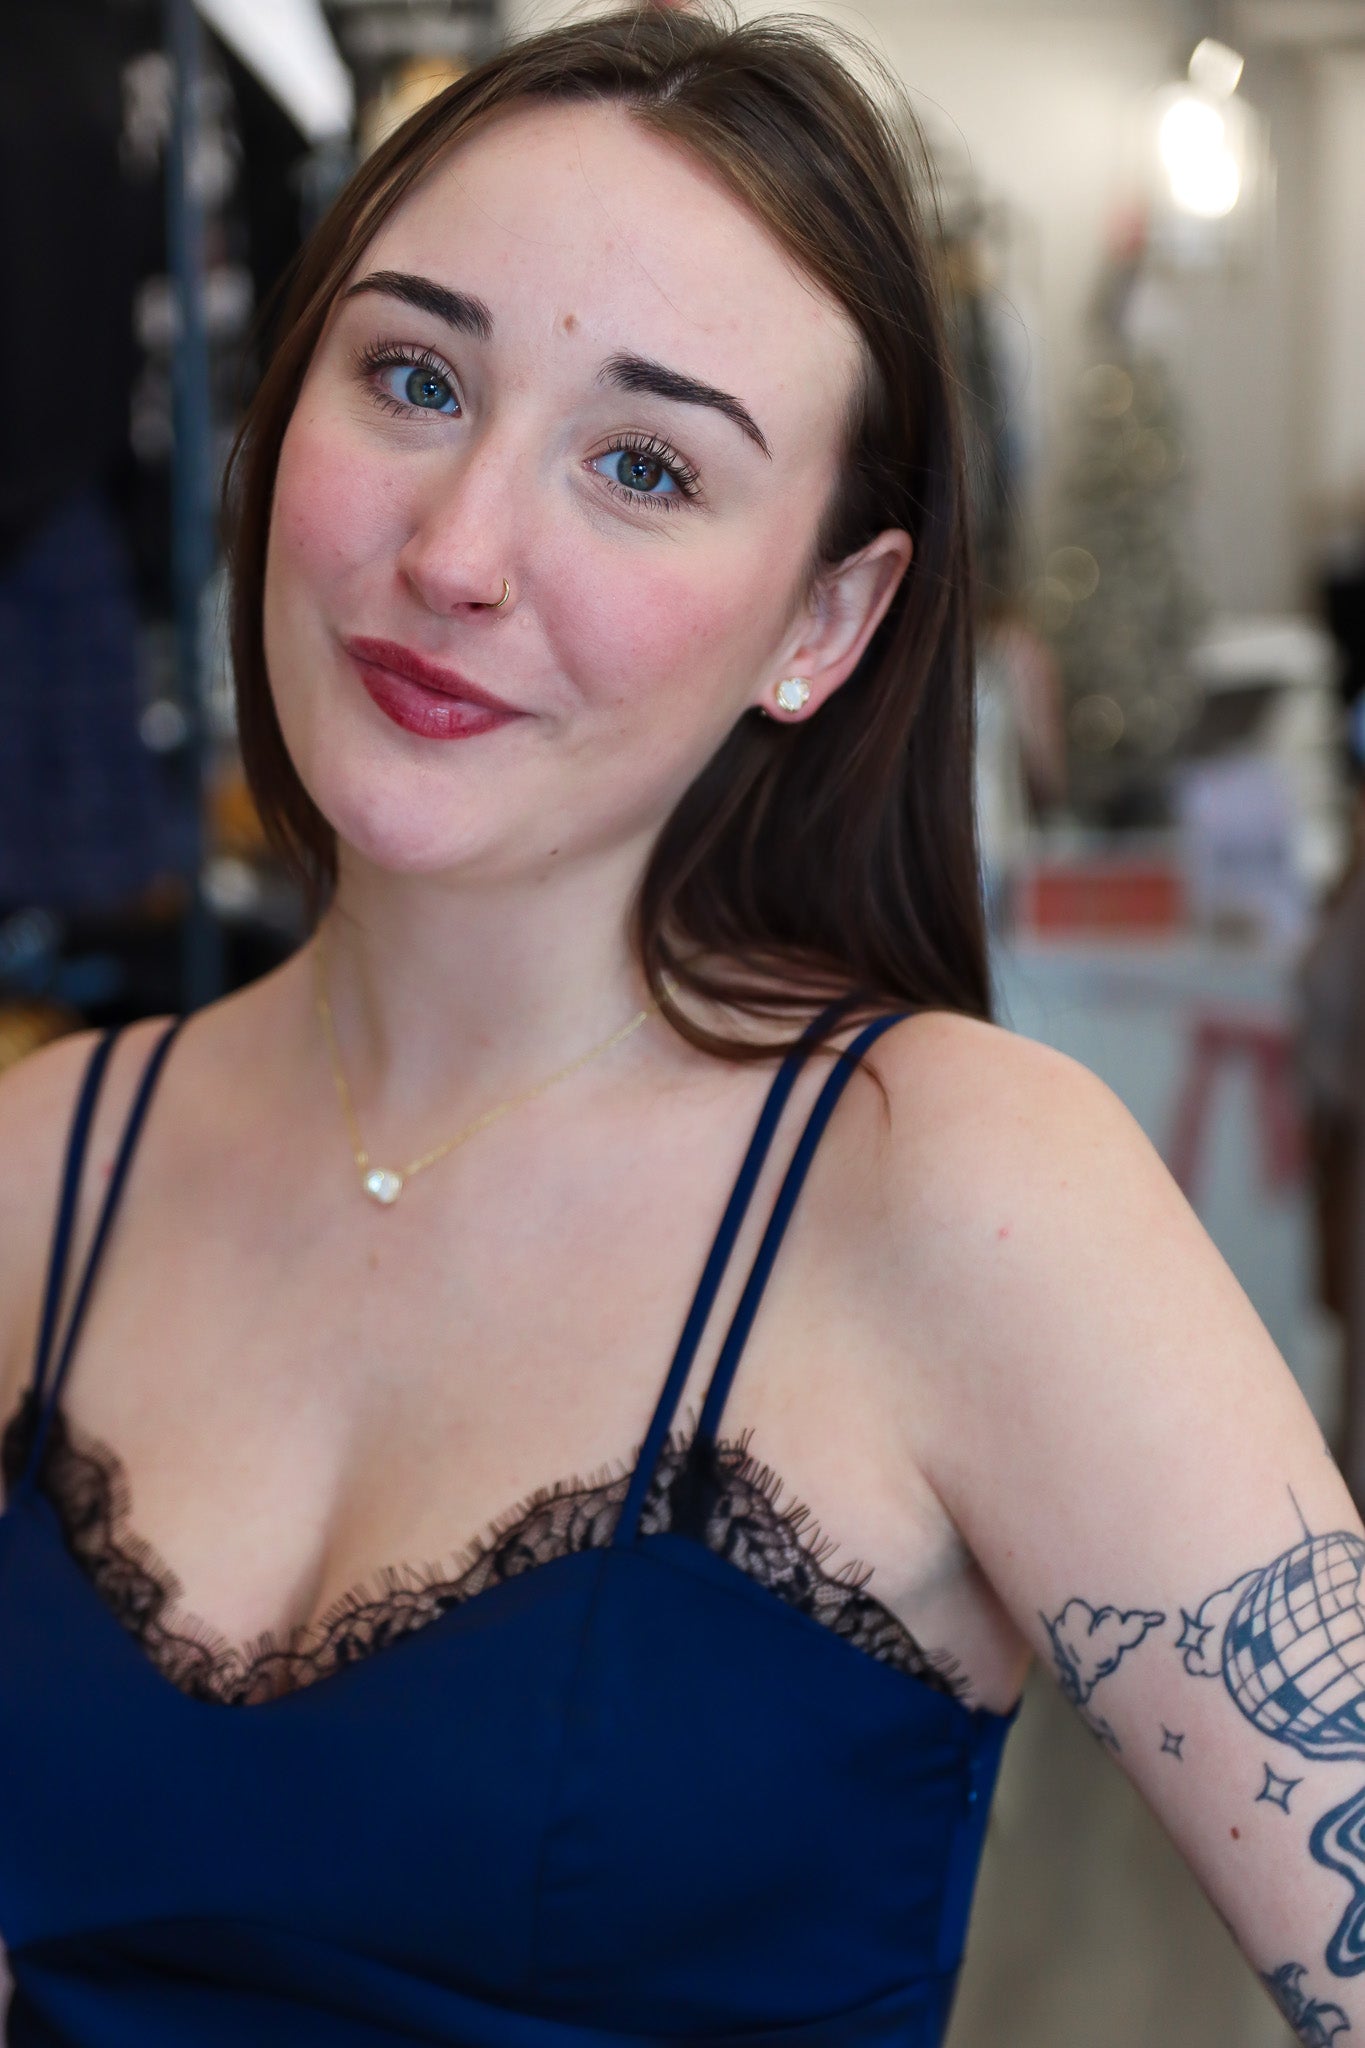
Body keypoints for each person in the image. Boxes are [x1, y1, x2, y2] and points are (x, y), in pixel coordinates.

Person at [0, 7, 1357, 2044]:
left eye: (642, 466)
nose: (456, 552)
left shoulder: (954, 1189)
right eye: (413, 377)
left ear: (822, 621)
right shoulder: (41, 1168)